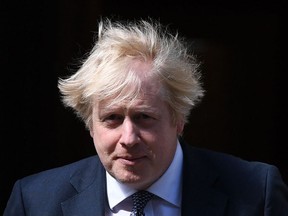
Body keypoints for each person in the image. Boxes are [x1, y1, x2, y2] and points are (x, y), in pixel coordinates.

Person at [4, 18, 288, 216]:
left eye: (144, 117)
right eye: (112, 118)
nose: (128, 138)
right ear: (90, 124)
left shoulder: (255, 193)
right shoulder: (35, 201)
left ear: (179, 119)